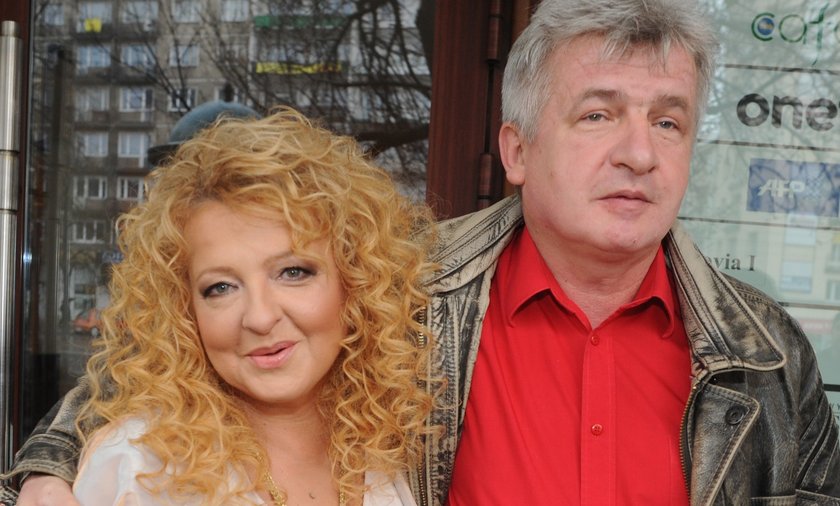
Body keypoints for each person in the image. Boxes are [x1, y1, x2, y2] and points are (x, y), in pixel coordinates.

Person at [4, 0, 840, 504]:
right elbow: (167, 370)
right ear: (516, 149)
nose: (639, 153)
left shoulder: (766, 356)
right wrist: (48, 463)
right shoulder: (403, 287)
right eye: (598, 114)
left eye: (668, 121)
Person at [5, 107, 437, 505]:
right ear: (183, 312)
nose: (260, 317)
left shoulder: (395, 455)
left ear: (356, 281)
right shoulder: (140, 470)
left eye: (293, 272)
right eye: (221, 288)